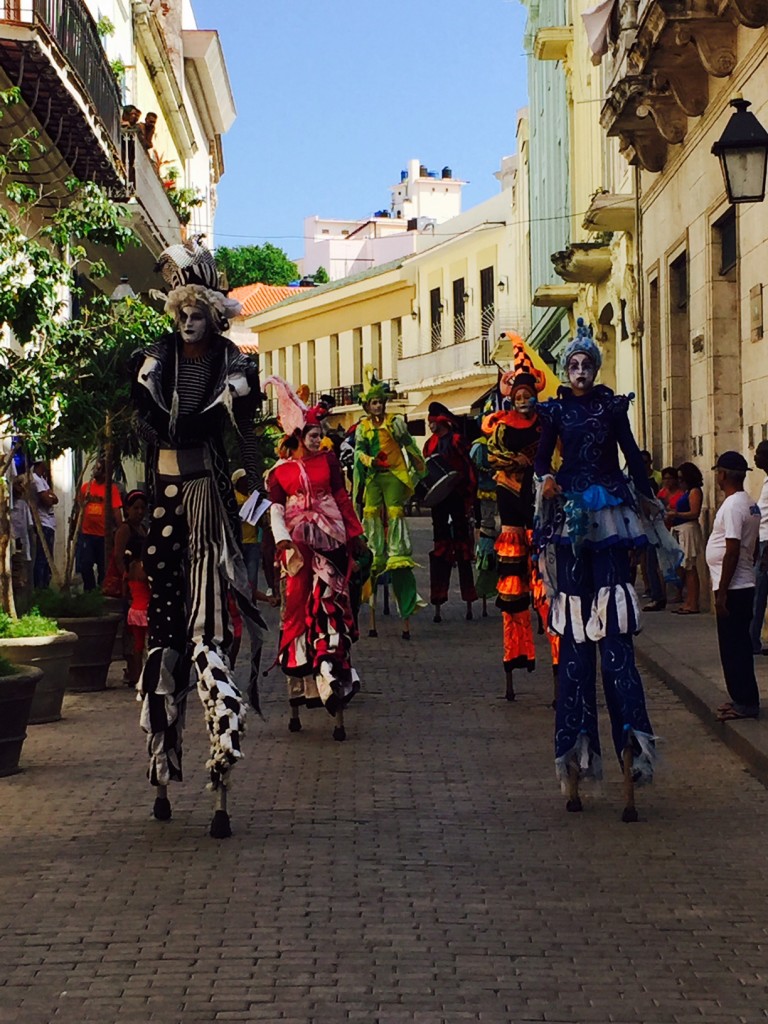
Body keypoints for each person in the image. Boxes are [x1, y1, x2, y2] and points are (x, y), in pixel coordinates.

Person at [131, 239, 265, 838]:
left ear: (214, 312)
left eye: (200, 310)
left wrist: (251, 483)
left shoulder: (233, 363)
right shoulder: (153, 360)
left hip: (207, 504)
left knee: (209, 632)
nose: (190, 320)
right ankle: (162, 763)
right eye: (182, 308)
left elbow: (243, 428)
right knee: (163, 636)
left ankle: (221, 765)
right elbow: (146, 412)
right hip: (163, 506)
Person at [534, 319, 665, 820]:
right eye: (574, 365)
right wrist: (546, 479)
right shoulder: (556, 410)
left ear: (597, 367)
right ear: (566, 371)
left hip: (609, 512)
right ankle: (576, 757)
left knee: (614, 642)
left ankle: (631, 746)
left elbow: (631, 455)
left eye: (588, 364)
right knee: (574, 647)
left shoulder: (612, 406)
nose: (581, 371)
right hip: (570, 519)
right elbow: (543, 459)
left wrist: (647, 495)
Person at [265, 378, 367, 739]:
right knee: (295, 606)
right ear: (297, 434)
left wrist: (354, 535)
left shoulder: (329, 463)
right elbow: (275, 512)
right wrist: (283, 544)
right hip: (296, 548)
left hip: (331, 542)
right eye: (311, 432)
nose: (318, 437)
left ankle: (333, 670)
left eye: (319, 432)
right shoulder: (279, 473)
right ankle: (300, 678)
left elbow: (341, 498)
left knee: (330, 605)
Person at [482, 352, 559, 703]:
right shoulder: (500, 427)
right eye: (519, 396)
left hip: (542, 516)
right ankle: (516, 656)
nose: (524, 401)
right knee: (513, 597)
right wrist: (518, 460)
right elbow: (492, 456)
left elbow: (561, 457)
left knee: (549, 591)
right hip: (511, 512)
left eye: (529, 395)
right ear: (511, 398)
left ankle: (560, 661)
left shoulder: (547, 425)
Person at [353, 372, 426, 637]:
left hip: (394, 474)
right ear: (367, 405)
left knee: (395, 513)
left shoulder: (395, 422)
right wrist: (371, 462)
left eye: (380, 402)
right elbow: (359, 452)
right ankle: (374, 547)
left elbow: (407, 445)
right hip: (374, 476)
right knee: (371, 514)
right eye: (373, 403)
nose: (378, 406)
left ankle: (396, 547)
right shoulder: (362, 427)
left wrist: (416, 462)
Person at [706, 452, 761, 721]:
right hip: (743, 582)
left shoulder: (731, 506)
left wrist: (722, 591)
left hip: (734, 586)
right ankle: (739, 697)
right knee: (736, 644)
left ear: (723, 475)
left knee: (733, 647)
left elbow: (732, 549)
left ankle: (746, 701)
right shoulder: (750, 504)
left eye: (718, 473)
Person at [423, 401, 478, 621]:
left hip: (457, 497)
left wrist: (469, 495)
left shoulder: (457, 440)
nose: (429, 425)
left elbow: (469, 468)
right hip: (439, 501)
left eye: (431, 421)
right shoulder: (429, 444)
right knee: (440, 547)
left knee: (462, 546)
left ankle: (469, 596)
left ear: (440, 420)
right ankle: (438, 595)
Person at [76, 458, 123, 591]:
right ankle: (89, 591)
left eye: (100, 469)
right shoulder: (86, 487)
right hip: (87, 534)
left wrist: (121, 531)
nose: (97, 472)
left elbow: (116, 511)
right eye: (95, 469)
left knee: (104, 567)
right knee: (85, 564)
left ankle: (102, 592)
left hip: (104, 535)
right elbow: (79, 508)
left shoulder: (111, 489)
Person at [666, 461, 704, 614]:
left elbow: (695, 513)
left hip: (688, 529)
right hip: (680, 529)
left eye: (681, 479)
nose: (679, 482)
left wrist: (676, 514)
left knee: (690, 568)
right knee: (684, 568)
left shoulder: (695, 491)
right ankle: (688, 600)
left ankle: (692, 603)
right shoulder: (687, 492)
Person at [749, 441, 768, 655]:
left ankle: (752, 640)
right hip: (761, 541)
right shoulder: (765, 480)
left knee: (758, 596)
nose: (755, 458)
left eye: (761, 454)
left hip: (767, 545)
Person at [232, 469, 261, 595]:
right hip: (238, 542)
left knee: (252, 577)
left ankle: (252, 603)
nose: (247, 483)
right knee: (239, 578)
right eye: (243, 480)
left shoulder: (252, 497)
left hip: (253, 542)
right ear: (237, 482)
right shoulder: (233, 497)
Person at [30, 460, 58, 589]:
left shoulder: (42, 479)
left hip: (49, 523)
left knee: (47, 559)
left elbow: (55, 498)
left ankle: (44, 587)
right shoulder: (36, 480)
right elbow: (48, 500)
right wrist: (50, 495)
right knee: (43, 558)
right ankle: (40, 588)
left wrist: (51, 495)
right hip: (44, 522)